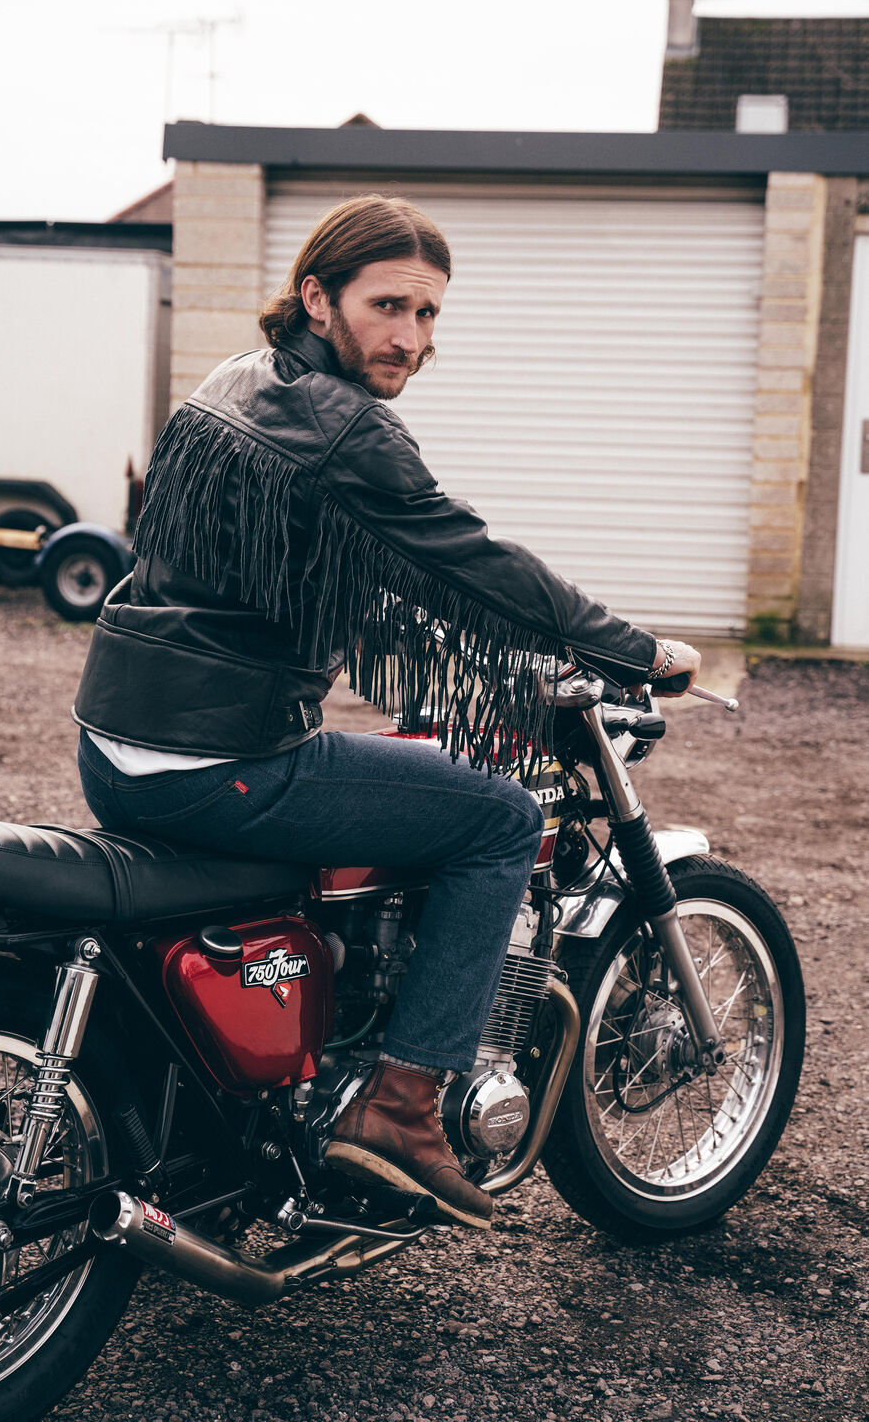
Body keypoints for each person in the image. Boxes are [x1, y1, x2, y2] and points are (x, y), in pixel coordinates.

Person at [73, 194, 701, 1231]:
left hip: (117, 745)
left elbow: (290, 574)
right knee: (497, 817)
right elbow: (474, 559)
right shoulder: (349, 428)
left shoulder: (231, 385)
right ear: (317, 295)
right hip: (218, 760)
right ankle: (401, 1107)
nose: (410, 336)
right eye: (389, 305)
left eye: (429, 314)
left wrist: (447, 648)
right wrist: (633, 649)